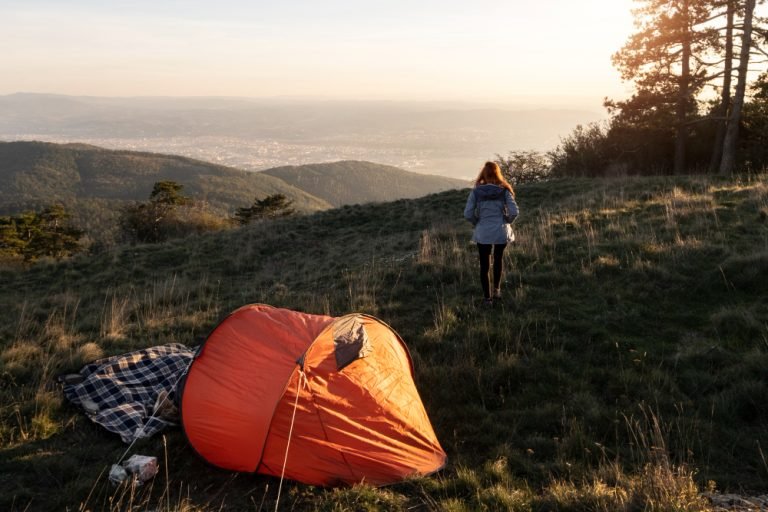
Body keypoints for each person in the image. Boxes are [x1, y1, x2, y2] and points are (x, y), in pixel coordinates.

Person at [463, 161, 519, 306]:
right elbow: (514, 212)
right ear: (497, 173)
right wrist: (507, 220)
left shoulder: (476, 192)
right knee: (498, 259)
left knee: (484, 265)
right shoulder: (504, 191)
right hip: (501, 230)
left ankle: (487, 299)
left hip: (483, 231)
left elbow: (468, 214)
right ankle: (497, 291)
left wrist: (477, 222)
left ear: (484, 174)